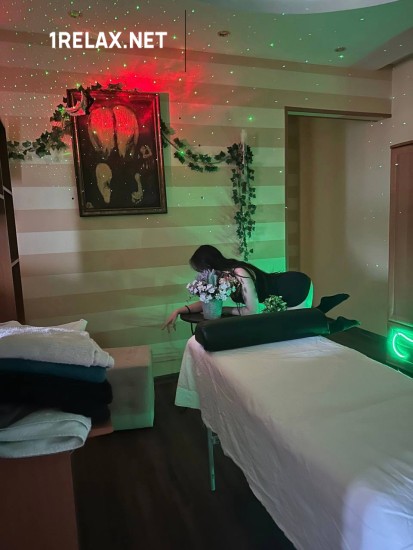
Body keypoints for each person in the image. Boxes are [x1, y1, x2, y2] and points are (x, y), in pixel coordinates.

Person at [162, 245, 359, 333]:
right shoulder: (220, 279)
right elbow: (209, 303)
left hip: (295, 286)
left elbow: (252, 311)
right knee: (301, 324)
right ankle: (325, 306)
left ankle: (338, 324)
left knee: (300, 330)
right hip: (283, 292)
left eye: (202, 270)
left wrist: (225, 310)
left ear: (209, 264)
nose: (202, 274)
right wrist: (178, 310)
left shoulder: (239, 272)